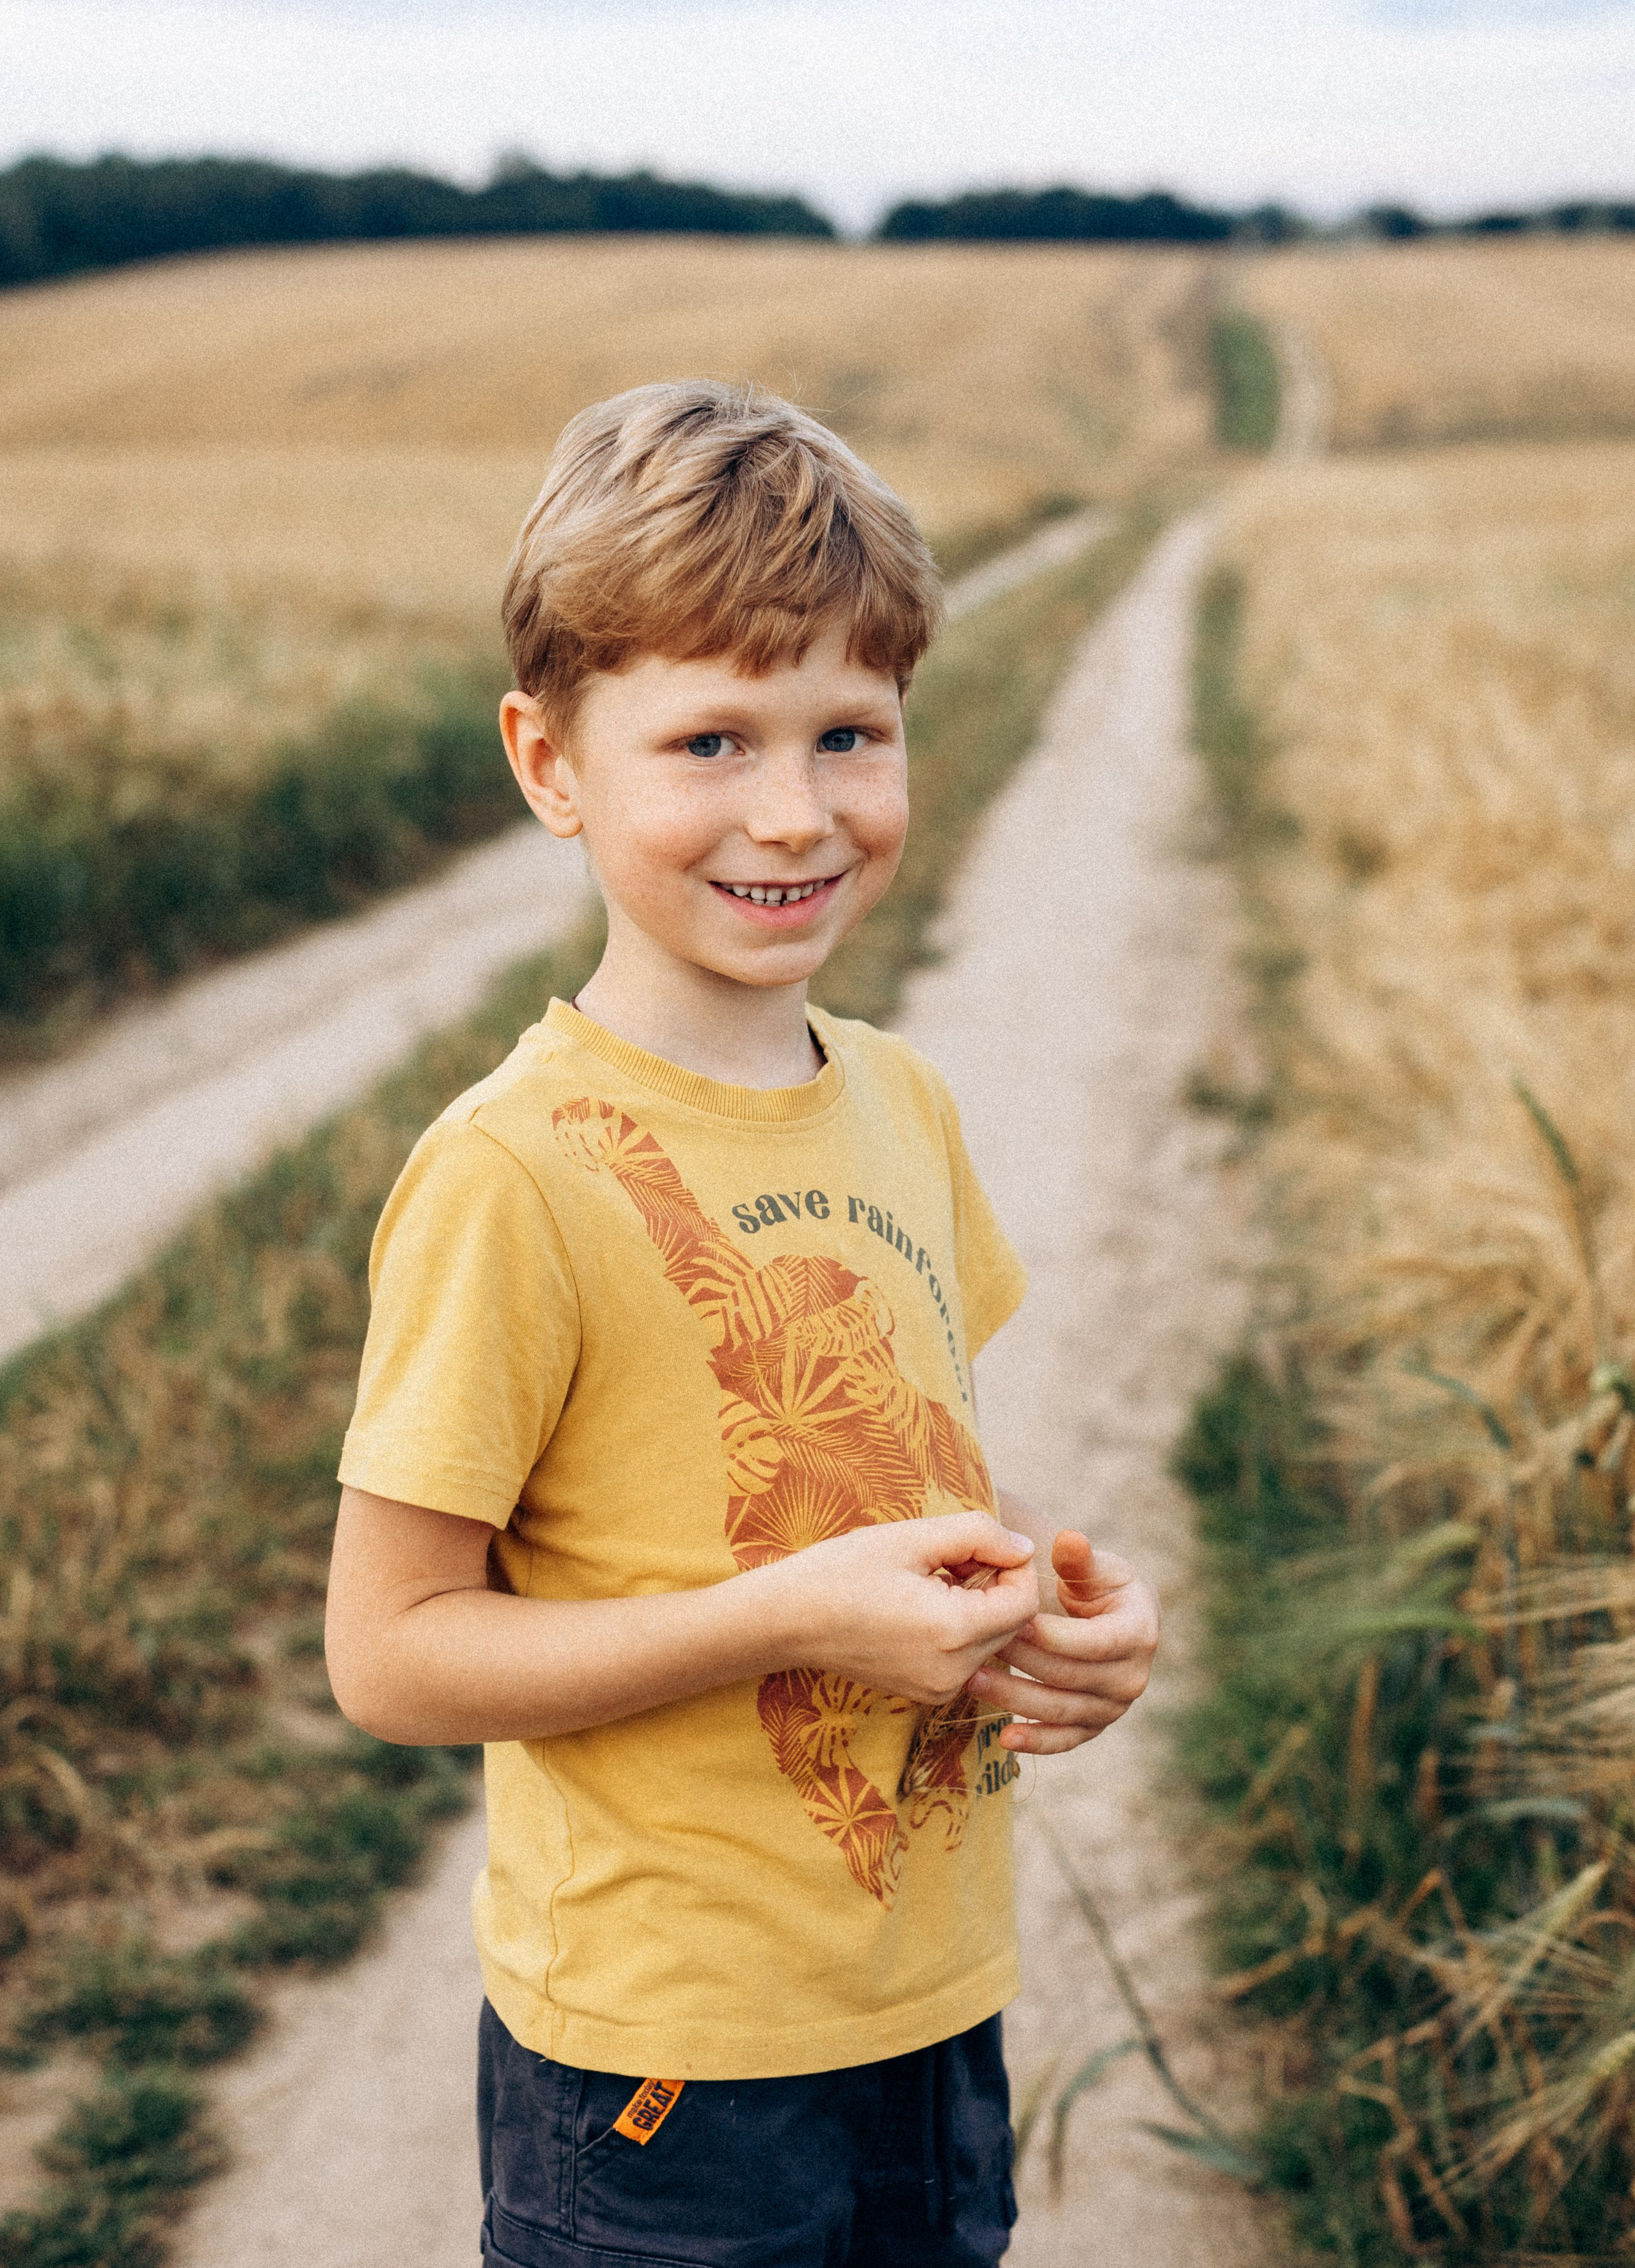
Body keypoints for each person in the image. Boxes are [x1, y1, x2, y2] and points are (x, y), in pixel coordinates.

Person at [324, 381, 1160, 2267]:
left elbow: (909, 1467)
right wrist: (787, 1620)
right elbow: (389, 1657)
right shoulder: (514, 1172)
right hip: (664, 2071)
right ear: (552, 765)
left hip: (924, 2003)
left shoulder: (900, 1102)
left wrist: (1055, 1613)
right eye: (710, 739)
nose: (794, 812)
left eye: (849, 733)